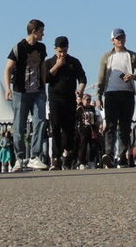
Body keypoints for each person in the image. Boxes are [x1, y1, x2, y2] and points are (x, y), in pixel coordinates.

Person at [96, 27, 136, 167]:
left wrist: (133, 76)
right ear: (112, 40)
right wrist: (99, 96)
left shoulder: (132, 56)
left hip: (127, 93)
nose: (121, 40)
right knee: (110, 125)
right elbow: (101, 77)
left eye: (122, 37)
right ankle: (109, 154)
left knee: (125, 126)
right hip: (111, 93)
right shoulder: (107, 56)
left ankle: (123, 156)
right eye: (118, 38)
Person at [5, 19, 49, 170]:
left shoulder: (42, 48)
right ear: (34, 31)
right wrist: (8, 88)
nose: (43, 34)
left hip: (37, 91)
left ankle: (35, 156)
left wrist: (44, 88)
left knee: (40, 122)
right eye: (41, 31)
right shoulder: (19, 47)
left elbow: (43, 66)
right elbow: (8, 68)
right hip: (20, 92)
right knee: (19, 126)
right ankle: (20, 158)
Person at [46, 34, 87, 170]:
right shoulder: (49, 62)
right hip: (55, 98)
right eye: (59, 51)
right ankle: (56, 158)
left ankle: (67, 154)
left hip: (70, 98)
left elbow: (82, 78)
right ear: (55, 49)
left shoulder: (74, 62)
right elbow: (45, 78)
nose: (62, 54)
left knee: (69, 128)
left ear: (68, 48)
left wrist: (80, 90)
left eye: (64, 51)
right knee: (56, 127)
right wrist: (57, 65)